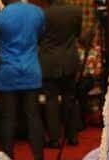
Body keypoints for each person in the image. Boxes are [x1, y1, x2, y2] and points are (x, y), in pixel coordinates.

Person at [0, 0, 46, 160]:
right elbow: (40, 37)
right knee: (34, 116)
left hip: (8, 70)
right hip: (31, 69)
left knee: (8, 118)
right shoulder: (37, 12)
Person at [40, 0, 82, 148]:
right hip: (69, 60)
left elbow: (38, 38)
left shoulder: (43, 14)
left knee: (51, 101)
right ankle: (72, 137)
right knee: (70, 98)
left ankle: (55, 139)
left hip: (49, 61)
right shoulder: (75, 11)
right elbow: (77, 34)